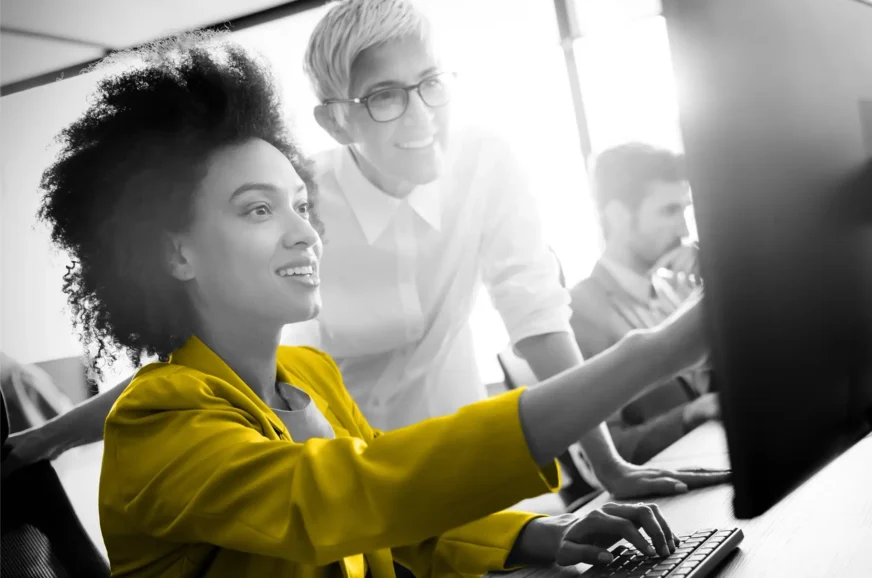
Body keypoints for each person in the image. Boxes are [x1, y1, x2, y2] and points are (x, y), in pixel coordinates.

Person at [31, 30, 710, 578]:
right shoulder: (160, 422)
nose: (304, 229)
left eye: (299, 204)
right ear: (175, 254)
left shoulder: (311, 378)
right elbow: (351, 498)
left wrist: (542, 534)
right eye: (258, 210)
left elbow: (401, 528)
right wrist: (655, 352)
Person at [570, 143, 721, 465]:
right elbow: (598, 455)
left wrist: (718, 279)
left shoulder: (678, 289)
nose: (683, 229)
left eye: (684, 210)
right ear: (618, 214)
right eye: (668, 211)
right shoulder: (581, 312)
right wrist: (690, 413)